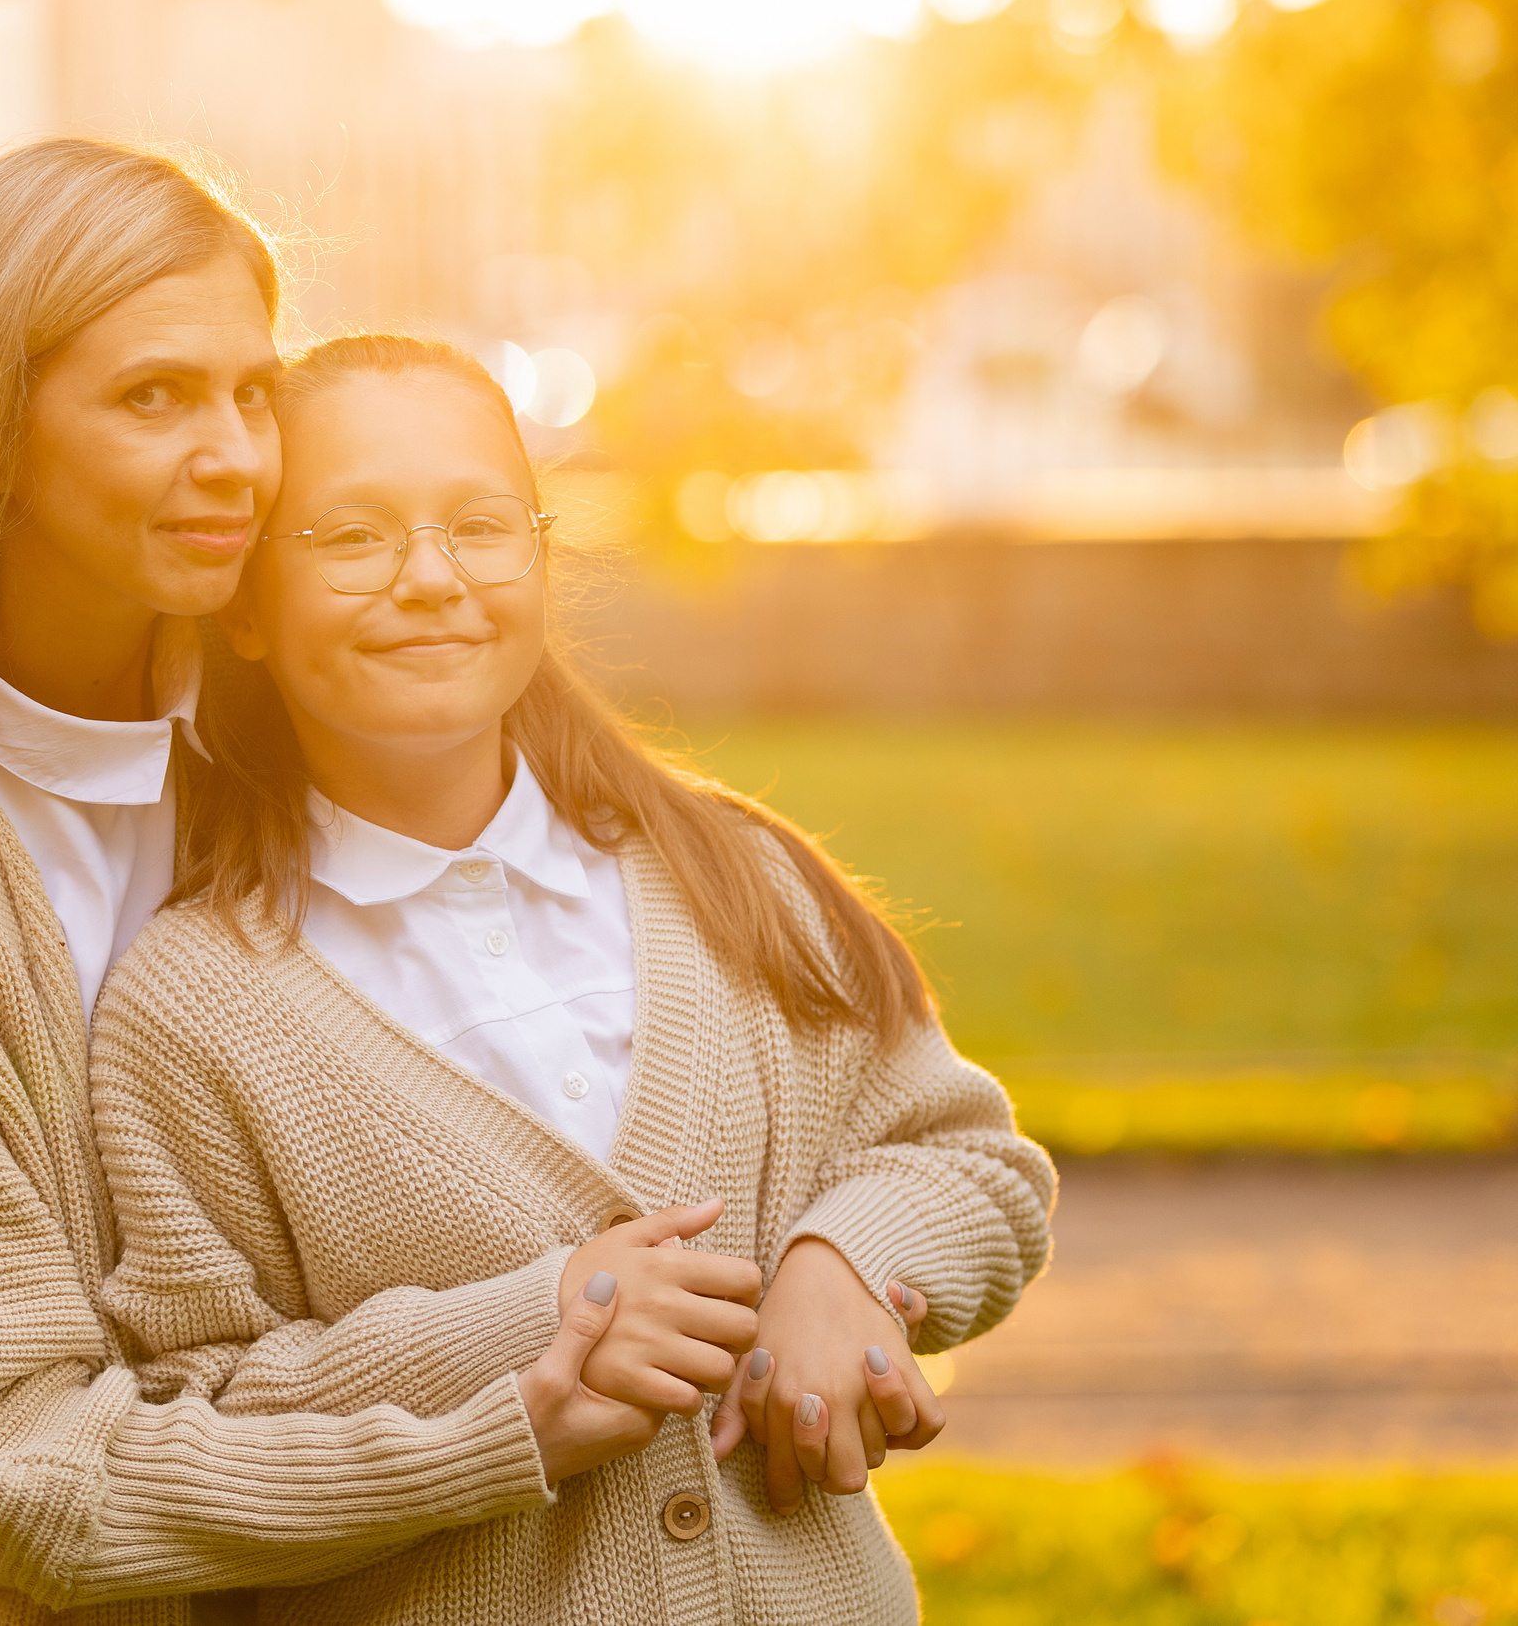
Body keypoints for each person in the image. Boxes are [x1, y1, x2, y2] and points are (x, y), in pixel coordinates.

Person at [0, 140, 774, 1626]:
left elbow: (686, 1001)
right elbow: (29, 1465)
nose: (241, 457)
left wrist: (844, 1261)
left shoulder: (294, 703)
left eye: (254, 391)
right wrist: (519, 1391)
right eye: (153, 398)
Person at [87, 333, 1057, 1624]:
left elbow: (966, 1161)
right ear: (248, 605)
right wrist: (539, 1323)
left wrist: (849, 1264)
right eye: (352, 536)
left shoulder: (729, 874)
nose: (430, 579)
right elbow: (196, 1413)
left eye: (481, 525)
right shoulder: (189, 1012)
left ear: (540, 558)